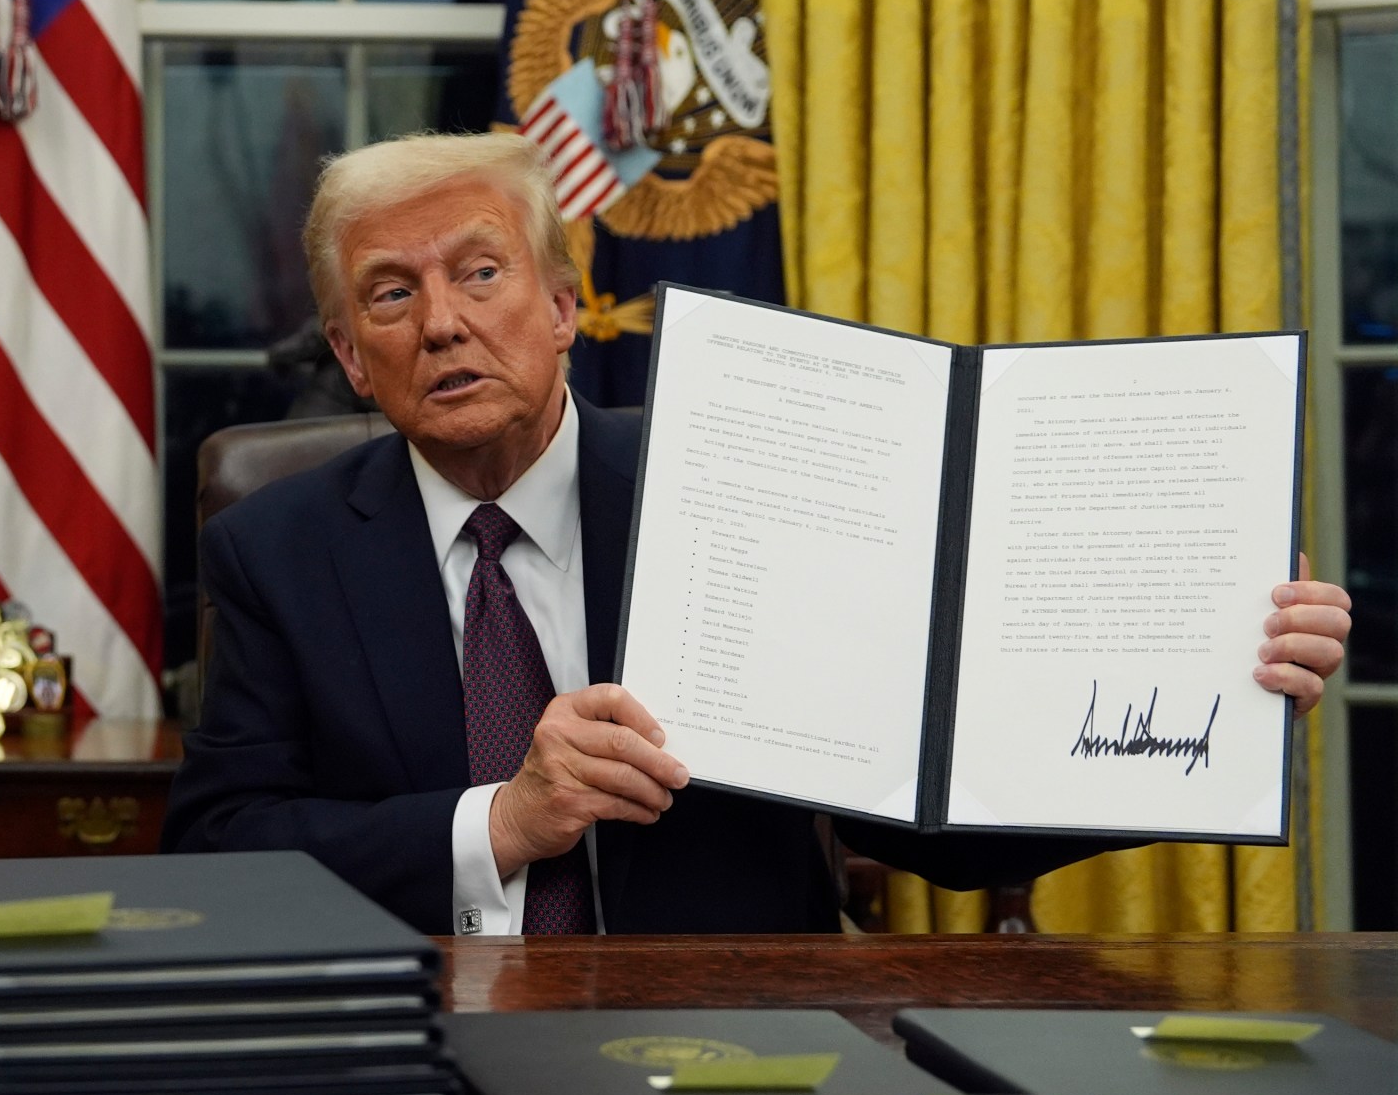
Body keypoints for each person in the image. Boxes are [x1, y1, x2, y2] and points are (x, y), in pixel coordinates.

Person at [162, 132, 1353, 936]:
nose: (440, 324)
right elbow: (222, 854)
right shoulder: (276, 549)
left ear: (565, 307)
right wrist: (501, 824)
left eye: (481, 273)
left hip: (749, 1040)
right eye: (389, 293)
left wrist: (1214, 698)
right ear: (347, 357)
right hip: (425, 1036)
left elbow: (929, 819)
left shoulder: (746, 478)